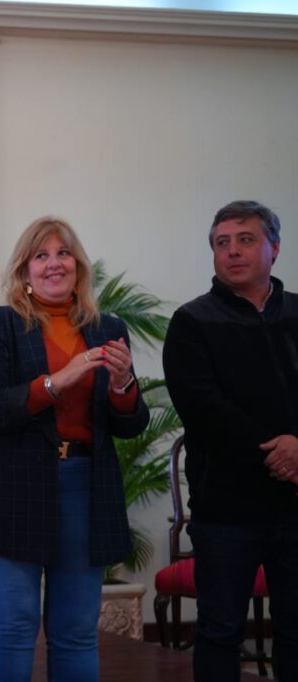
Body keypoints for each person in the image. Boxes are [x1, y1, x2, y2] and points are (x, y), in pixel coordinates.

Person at [0, 217, 150, 682]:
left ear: (79, 266)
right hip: (12, 488)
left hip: (84, 487)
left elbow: (130, 424)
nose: (54, 264)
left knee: (76, 632)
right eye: (41, 255)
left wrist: (123, 383)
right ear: (24, 270)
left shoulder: (107, 328)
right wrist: (56, 382)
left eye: (63, 253)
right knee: (13, 626)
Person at [163, 200, 297, 682]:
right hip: (226, 509)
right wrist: (280, 451)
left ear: (274, 248)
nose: (233, 251)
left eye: (246, 240)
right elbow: (203, 409)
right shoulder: (192, 321)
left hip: (296, 503)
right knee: (220, 633)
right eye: (223, 243)